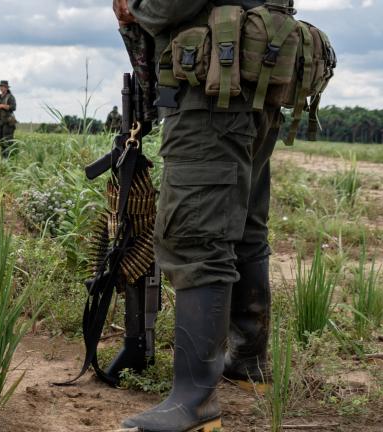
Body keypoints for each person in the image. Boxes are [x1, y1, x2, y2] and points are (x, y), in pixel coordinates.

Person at [113, 0, 282, 431]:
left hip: (209, 97)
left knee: (194, 238)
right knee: (242, 227)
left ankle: (194, 402)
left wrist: (135, 7)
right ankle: (247, 361)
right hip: (249, 89)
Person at [0, 80, 17, 158]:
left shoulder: (10, 97)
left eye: (3, 87)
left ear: (6, 88)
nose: (1, 88)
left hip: (8, 123)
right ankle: (3, 159)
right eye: (0, 87)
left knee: (7, 142)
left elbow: (13, 107)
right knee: (1, 141)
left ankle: (7, 160)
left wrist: (2, 106)